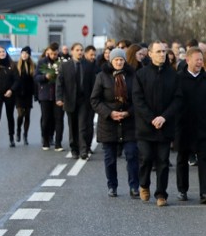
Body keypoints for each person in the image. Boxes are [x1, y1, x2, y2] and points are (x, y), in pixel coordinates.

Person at [132, 41, 181, 207]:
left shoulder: (173, 75)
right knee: (146, 157)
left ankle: (161, 194)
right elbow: (137, 100)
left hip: (165, 125)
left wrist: (164, 117)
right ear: (150, 54)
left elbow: (178, 99)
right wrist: (151, 118)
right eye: (158, 51)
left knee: (163, 160)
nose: (162, 54)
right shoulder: (141, 74)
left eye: (164, 51)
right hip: (146, 126)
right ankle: (144, 184)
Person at [90, 47, 139, 198]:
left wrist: (128, 112)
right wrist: (109, 113)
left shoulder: (132, 76)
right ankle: (112, 185)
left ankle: (134, 186)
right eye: (116, 60)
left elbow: (138, 98)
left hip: (128, 122)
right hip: (108, 123)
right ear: (111, 61)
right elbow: (95, 100)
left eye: (121, 60)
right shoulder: (102, 76)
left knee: (132, 154)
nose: (119, 62)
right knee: (110, 158)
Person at [175, 47, 206, 204]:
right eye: (197, 59)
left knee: (204, 158)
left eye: (201, 60)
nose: (200, 62)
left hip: (203, 124)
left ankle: (205, 192)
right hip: (183, 125)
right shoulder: (179, 78)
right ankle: (182, 189)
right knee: (182, 158)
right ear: (188, 60)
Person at [56, 43, 95, 160]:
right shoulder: (65, 66)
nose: (80, 52)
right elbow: (60, 83)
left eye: (81, 50)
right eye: (77, 50)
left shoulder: (88, 65)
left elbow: (93, 83)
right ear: (72, 51)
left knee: (82, 125)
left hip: (84, 100)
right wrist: (59, 98)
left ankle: (83, 150)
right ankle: (74, 149)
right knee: (72, 126)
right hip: (70, 100)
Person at [35, 45, 64, 151]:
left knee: (59, 119)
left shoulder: (62, 62)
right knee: (46, 119)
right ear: (48, 53)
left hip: (58, 95)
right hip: (45, 95)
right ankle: (46, 141)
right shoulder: (42, 62)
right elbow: (36, 77)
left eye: (55, 54)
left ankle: (58, 143)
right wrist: (45, 77)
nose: (53, 56)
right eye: (51, 54)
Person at [12, 46, 35, 146]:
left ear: (29, 54)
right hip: (19, 94)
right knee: (20, 114)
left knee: (27, 115)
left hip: (28, 93)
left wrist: (35, 92)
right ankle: (18, 130)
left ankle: (25, 135)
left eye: (26, 53)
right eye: (23, 53)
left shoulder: (32, 65)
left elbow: (34, 80)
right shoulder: (17, 66)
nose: (24, 55)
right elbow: (13, 79)